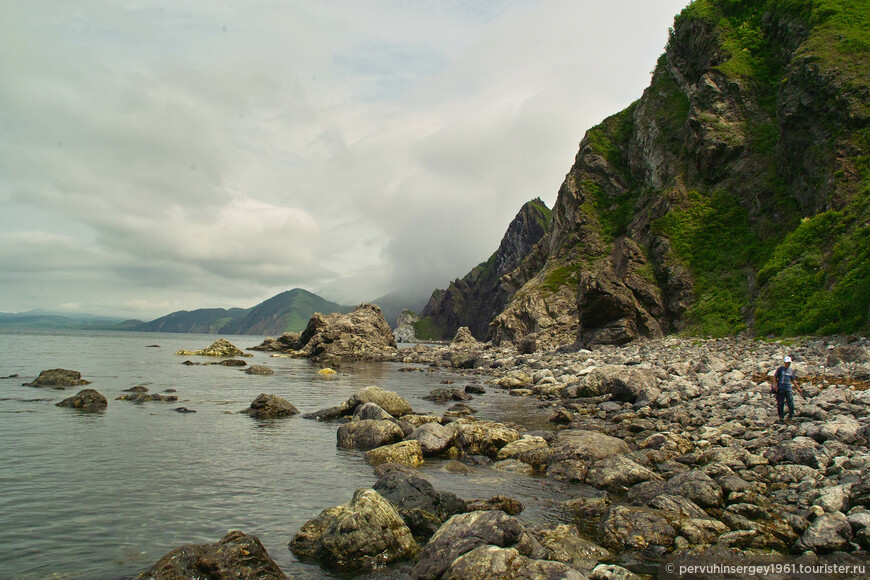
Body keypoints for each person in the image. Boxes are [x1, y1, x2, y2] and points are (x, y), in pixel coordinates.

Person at [772, 355, 799, 423]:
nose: (788, 364)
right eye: (787, 363)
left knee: (790, 402)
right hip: (781, 389)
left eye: (789, 363)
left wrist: (797, 388)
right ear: (784, 362)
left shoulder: (791, 370)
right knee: (780, 403)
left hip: (788, 389)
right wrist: (775, 385)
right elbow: (775, 377)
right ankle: (781, 417)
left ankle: (791, 416)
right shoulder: (780, 369)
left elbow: (793, 380)